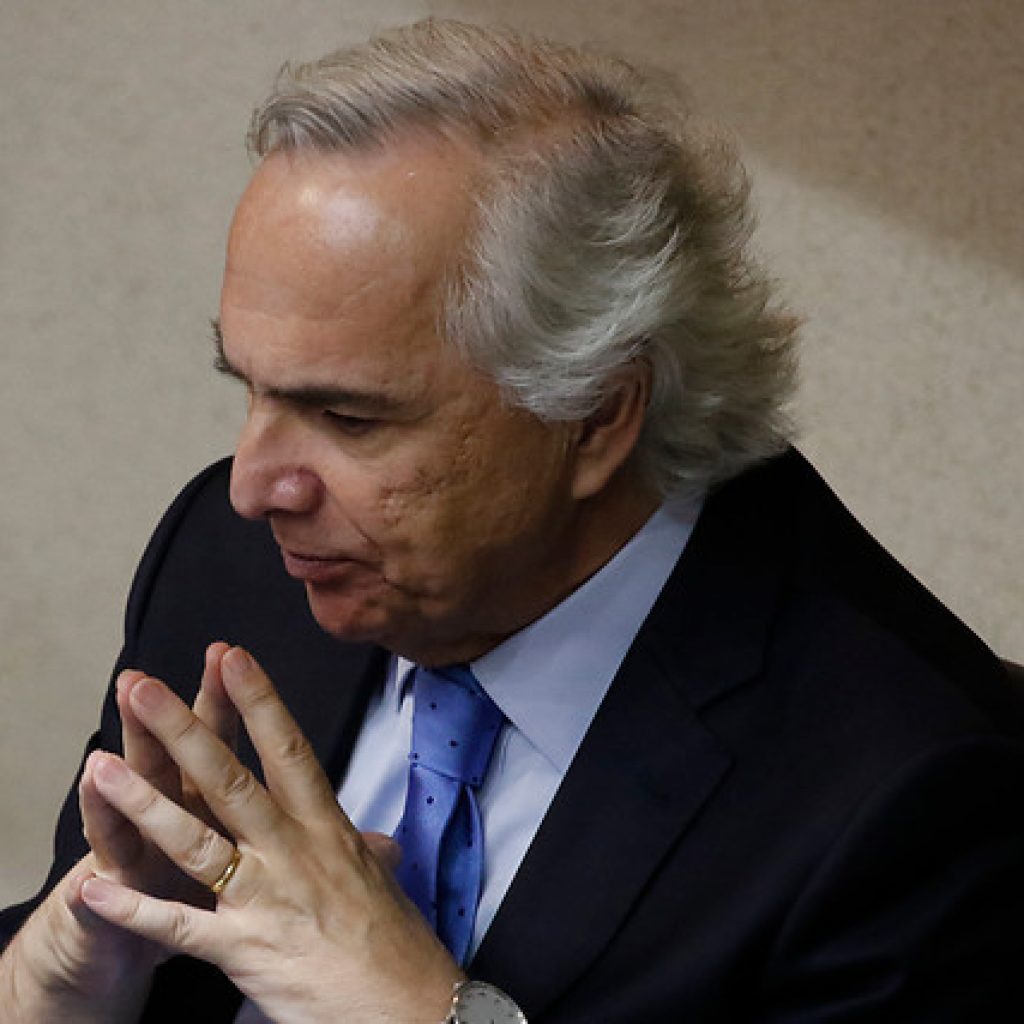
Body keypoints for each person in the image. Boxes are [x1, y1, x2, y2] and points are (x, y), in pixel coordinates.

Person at [1, 18, 1022, 1024]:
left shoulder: (912, 796)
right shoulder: (234, 565)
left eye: (349, 419)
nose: (254, 487)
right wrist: (62, 985)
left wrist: (426, 1015)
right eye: (250, 388)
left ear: (596, 414)